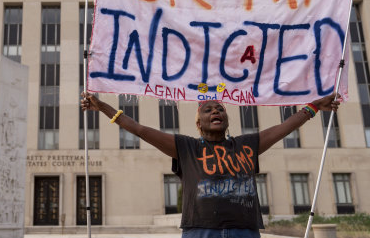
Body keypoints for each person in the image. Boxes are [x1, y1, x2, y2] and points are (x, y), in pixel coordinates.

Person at [80, 92, 340, 238]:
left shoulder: (247, 145)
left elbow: (286, 127)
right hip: (200, 232)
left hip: (245, 232)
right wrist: (101, 106)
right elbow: (138, 128)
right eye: (208, 110)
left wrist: (314, 106)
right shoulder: (186, 147)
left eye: (220, 109)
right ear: (199, 123)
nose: (216, 111)